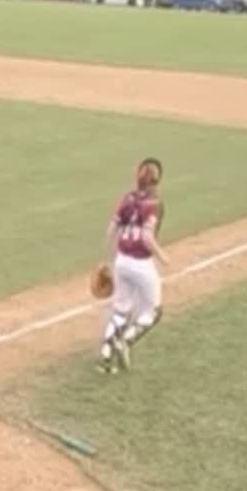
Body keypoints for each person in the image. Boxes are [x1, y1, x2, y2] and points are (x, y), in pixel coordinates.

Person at [98, 159, 173, 373]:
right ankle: (126, 341)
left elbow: (112, 228)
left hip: (121, 261)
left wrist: (106, 258)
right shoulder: (155, 204)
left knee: (120, 310)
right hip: (142, 265)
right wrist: (162, 255)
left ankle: (105, 357)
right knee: (154, 311)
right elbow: (148, 237)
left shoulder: (127, 198)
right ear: (156, 181)